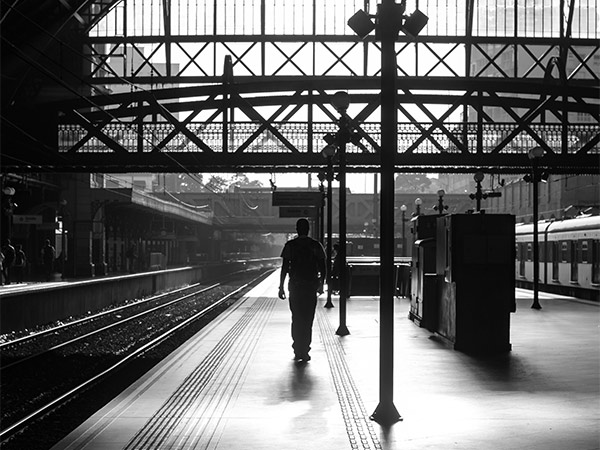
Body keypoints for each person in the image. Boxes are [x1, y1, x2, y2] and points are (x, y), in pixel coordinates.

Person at [278, 218, 327, 363]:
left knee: (296, 318)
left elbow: (285, 268)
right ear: (308, 229)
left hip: (295, 287)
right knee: (308, 320)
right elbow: (323, 267)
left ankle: (297, 348)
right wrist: (321, 284)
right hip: (310, 287)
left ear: (296, 229)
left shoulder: (290, 245)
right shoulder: (316, 245)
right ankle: (305, 349)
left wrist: (281, 287)